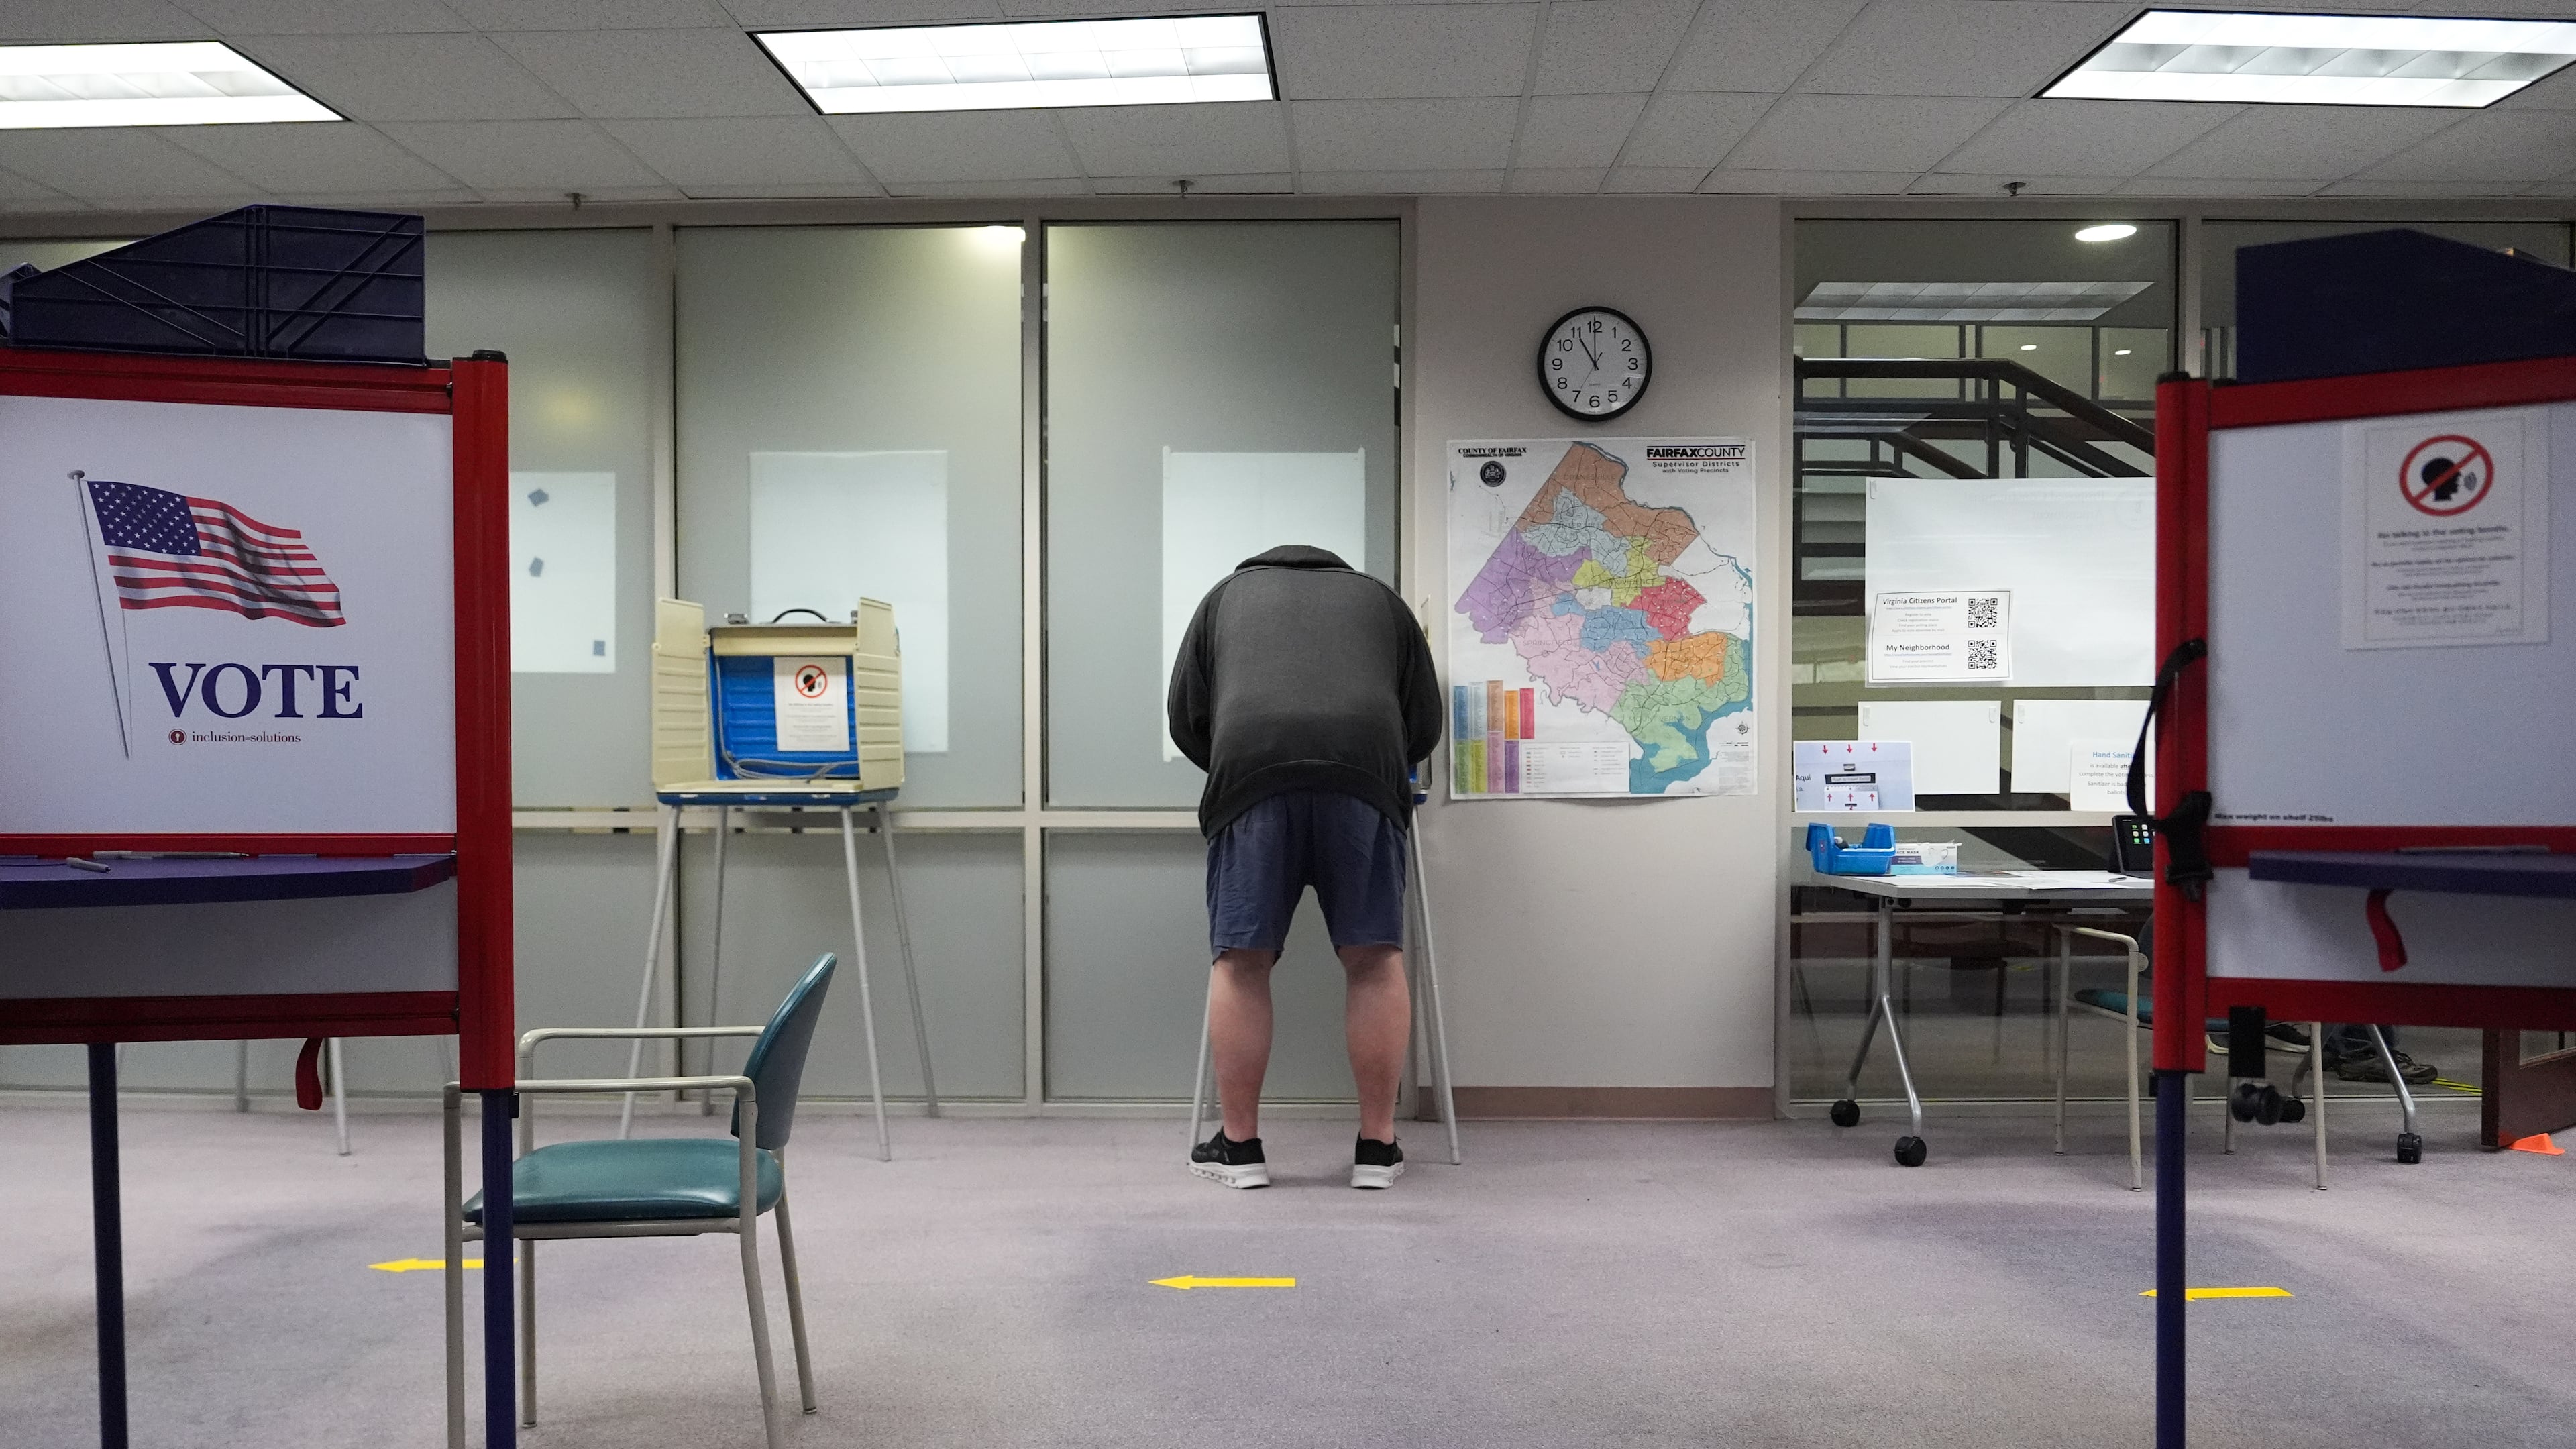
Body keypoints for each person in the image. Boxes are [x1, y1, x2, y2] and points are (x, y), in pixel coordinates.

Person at [1166, 545, 1443, 1190]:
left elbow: (1186, 719)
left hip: (1252, 773)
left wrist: (1246, 763)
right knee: (1374, 958)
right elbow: (1423, 723)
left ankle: (1240, 1150)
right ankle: (1377, 1149)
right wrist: (1369, 762)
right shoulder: (1382, 601)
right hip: (1363, 775)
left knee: (1241, 961)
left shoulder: (1223, 600)